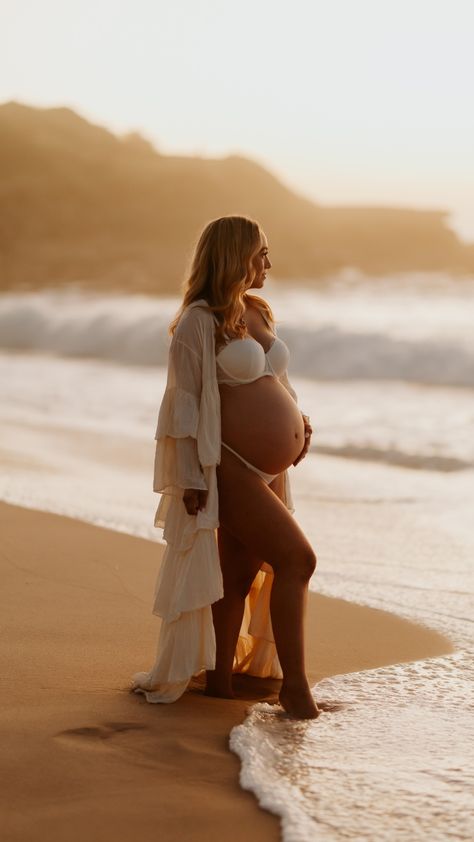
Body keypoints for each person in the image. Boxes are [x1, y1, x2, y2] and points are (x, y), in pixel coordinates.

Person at [131, 215, 318, 719]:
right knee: (298, 560)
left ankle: (220, 681)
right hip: (227, 465)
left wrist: (299, 421)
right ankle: (296, 690)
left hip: (269, 470)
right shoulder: (198, 320)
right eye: (261, 253)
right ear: (235, 256)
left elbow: (275, 378)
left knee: (238, 576)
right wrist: (189, 478)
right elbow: (183, 404)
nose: (268, 263)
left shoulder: (256, 310)